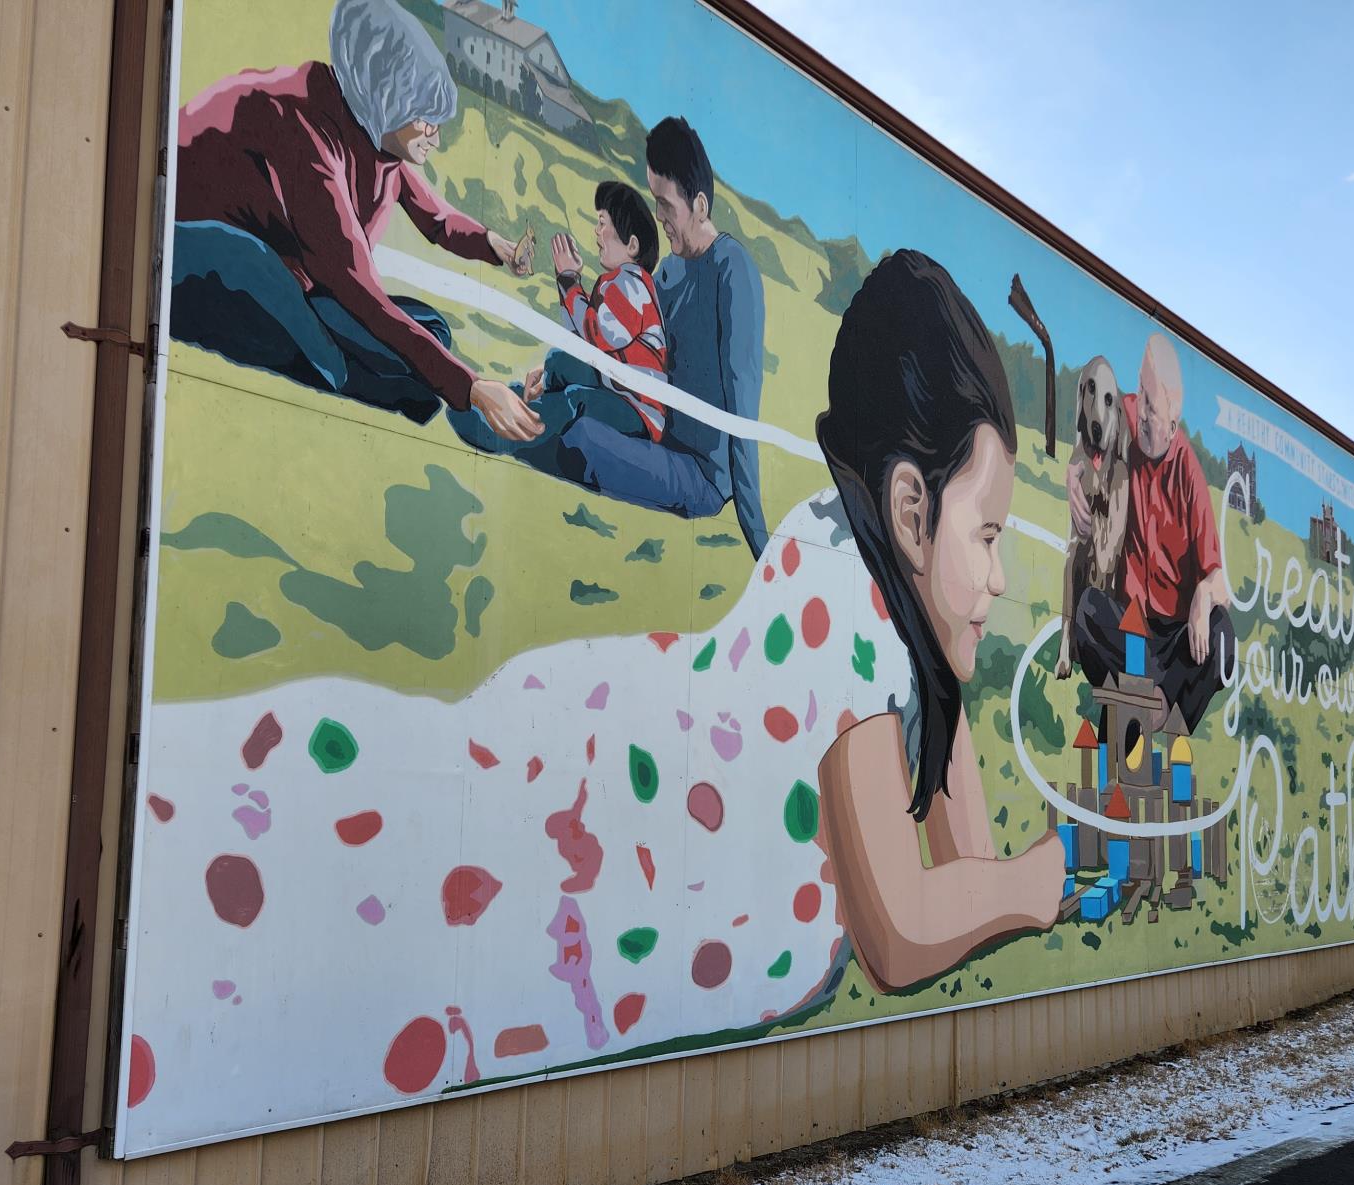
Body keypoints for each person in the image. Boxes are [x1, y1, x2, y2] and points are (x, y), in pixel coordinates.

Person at [813, 251, 1065, 993]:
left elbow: (971, 866)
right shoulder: (847, 605)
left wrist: (999, 884)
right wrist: (1031, 887)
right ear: (910, 512)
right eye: (987, 537)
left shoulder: (911, 625)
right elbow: (902, 932)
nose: (999, 578)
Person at [168, 0, 541, 443]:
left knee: (428, 328)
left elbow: (437, 219)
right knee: (318, 341)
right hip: (200, 253)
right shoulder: (299, 124)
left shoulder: (378, 140)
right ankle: (390, 387)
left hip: (298, 274)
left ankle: (433, 393)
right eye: (425, 120)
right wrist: (471, 387)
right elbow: (353, 284)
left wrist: (492, 243)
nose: (435, 138)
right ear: (385, 96)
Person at [449, 116, 771, 558]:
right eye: (654, 203)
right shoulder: (670, 271)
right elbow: (628, 353)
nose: (659, 218)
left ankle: (501, 431)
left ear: (699, 205)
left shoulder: (733, 271)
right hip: (649, 430)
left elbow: (743, 406)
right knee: (567, 387)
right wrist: (560, 369)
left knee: (584, 438)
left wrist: (761, 542)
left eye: (665, 205)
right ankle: (496, 401)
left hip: (699, 475)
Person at [1067, 334, 1234, 732]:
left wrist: (1202, 597)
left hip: (1175, 637)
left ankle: (1156, 706)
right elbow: (1084, 450)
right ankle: (1141, 696)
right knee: (1088, 609)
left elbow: (1219, 582)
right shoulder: (1122, 418)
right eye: (1140, 393)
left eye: (1152, 407)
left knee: (1222, 635)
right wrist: (1072, 478)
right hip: (1130, 630)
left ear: (1173, 425)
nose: (1140, 412)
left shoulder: (1188, 471)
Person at [518, 180, 668, 443]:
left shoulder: (634, 285)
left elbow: (597, 338)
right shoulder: (614, 284)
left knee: (577, 400)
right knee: (559, 360)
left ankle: (522, 425)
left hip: (637, 409)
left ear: (631, 246)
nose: (596, 231)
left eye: (602, 223)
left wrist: (569, 281)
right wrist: (550, 372)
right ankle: (529, 403)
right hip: (614, 389)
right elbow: (580, 339)